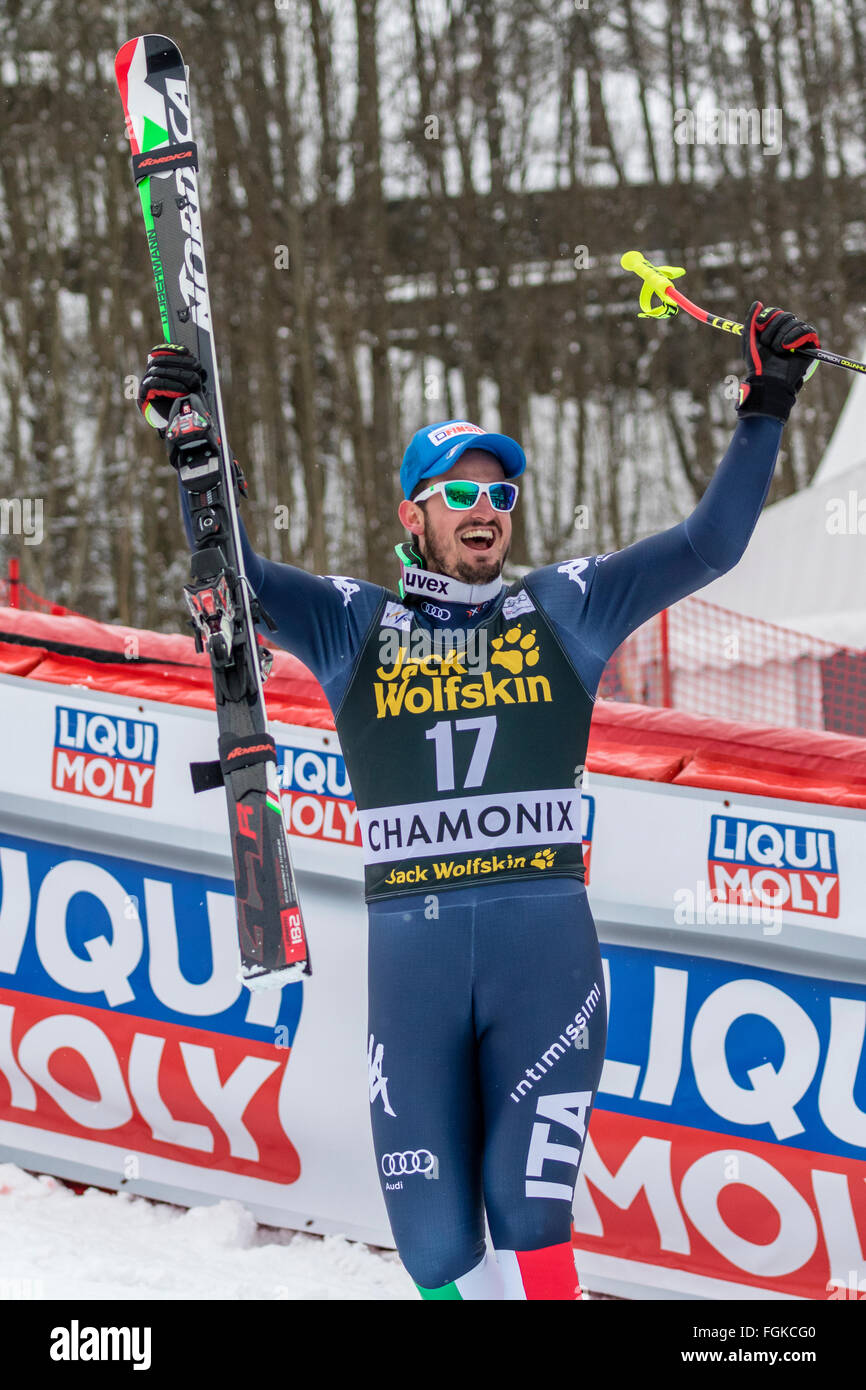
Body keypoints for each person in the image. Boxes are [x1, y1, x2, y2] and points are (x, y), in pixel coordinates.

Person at [137, 301, 819, 1299]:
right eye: (457, 490)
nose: (484, 506)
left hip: (541, 962)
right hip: (410, 974)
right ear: (411, 516)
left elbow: (708, 546)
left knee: (528, 1209)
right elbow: (231, 584)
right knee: (434, 1243)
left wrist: (766, 398)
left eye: (499, 491)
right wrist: (195, 451)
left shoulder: (566, 606)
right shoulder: (349, 624)